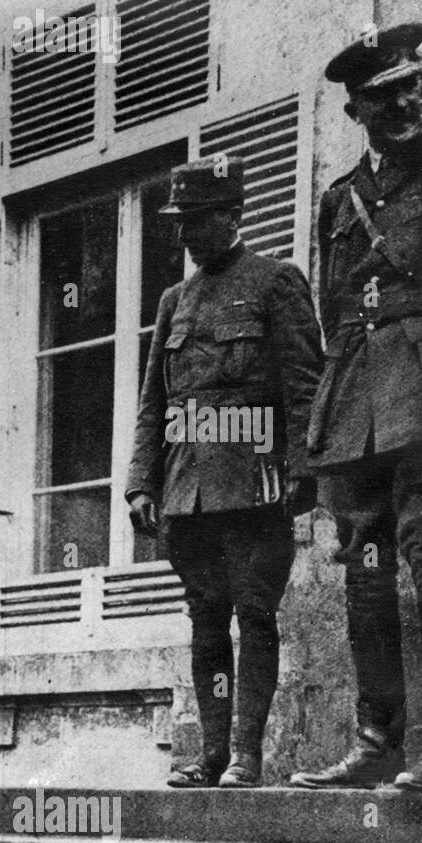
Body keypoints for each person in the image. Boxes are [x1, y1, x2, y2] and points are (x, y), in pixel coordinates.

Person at [126, 156, 323, 788]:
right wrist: (141, 482)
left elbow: (303, 385)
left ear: (232, 216)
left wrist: (302, 469)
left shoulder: (275, 282)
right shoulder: (173, 301)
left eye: (196, 221)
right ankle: (212, 754)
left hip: (254, 484)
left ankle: (247, 756)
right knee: (206, 621)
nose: (183, 235)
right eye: (179, 223)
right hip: (190, 492)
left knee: (255, 615)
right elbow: (154, 403)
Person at [291, 24, 422, 791]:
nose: (406, 101)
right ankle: (378, 742)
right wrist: (319, 430)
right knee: (366, 575)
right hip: (358, 408)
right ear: (356, 111)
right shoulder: (339, 200)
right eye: (384, 94)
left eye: (413, 85)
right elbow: (335, 311)